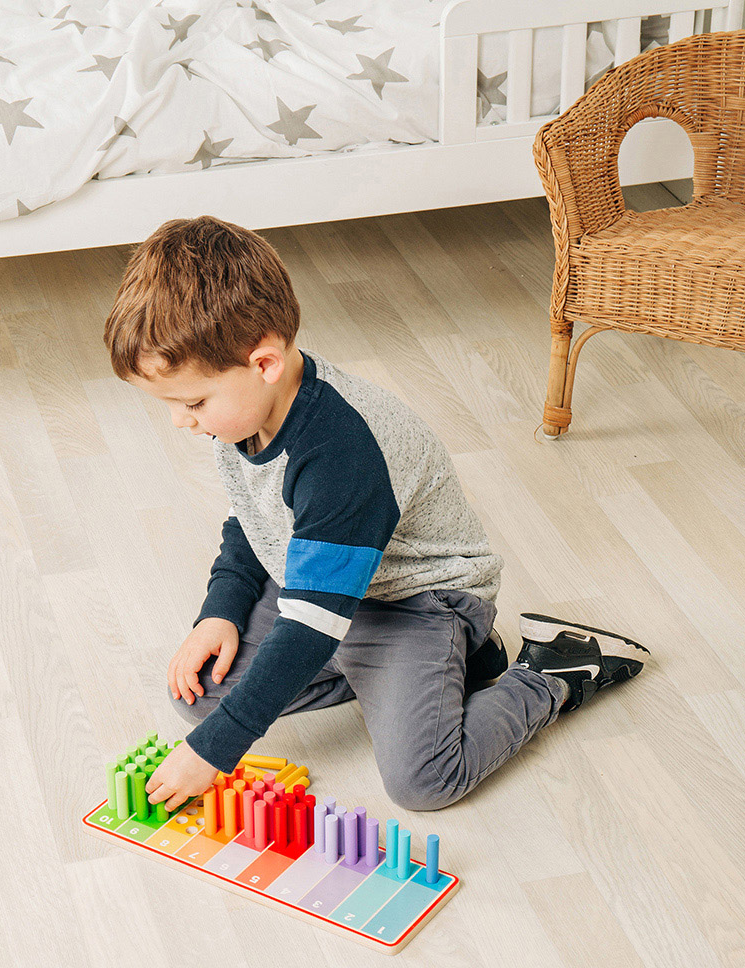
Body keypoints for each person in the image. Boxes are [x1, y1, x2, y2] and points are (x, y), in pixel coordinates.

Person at [102, 215, 649, 815]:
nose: (183, 422)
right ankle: (443, 672)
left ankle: (554, 672)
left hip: (414, 603)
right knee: (200, 696)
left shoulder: (342, 453)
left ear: (263, 363)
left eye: (193, 403)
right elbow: (249, 522)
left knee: (424, 781)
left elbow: (312, 626)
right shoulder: (243, 412)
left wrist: (213, 753)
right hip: (327, 593)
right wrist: (221, 612)